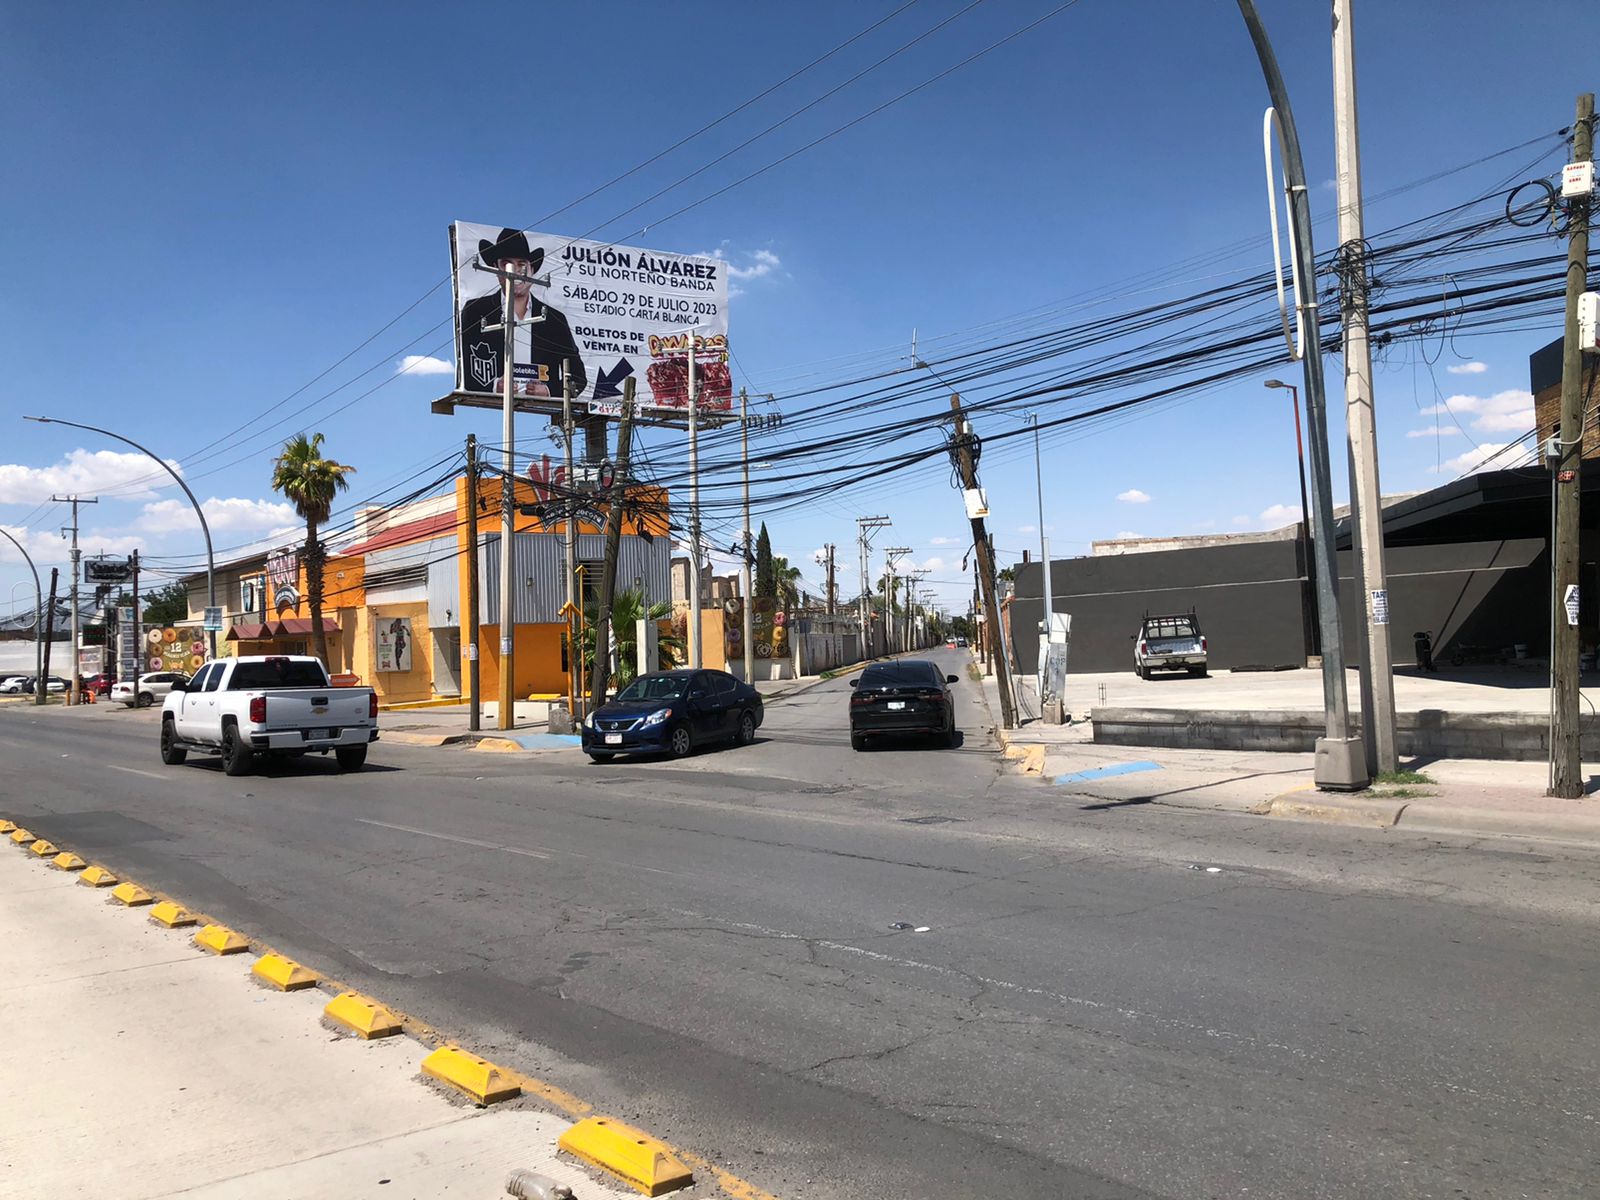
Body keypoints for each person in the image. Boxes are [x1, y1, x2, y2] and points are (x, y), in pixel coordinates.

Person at [458, 229, 587, 399]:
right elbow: (463, 369)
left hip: (540, 413)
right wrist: (494, 386)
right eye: (506, 264)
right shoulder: (475, 310)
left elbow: (579, 378)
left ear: (532, 269)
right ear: (495, 268)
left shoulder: (554, 318)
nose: (515, 272)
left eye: (522, 265)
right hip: (488, 413)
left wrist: (549, 390)